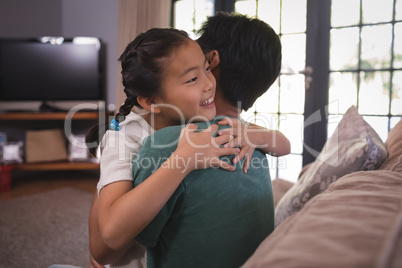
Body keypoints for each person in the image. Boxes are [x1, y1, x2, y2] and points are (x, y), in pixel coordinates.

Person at [89, 12, 288, 268]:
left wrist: (255, 135)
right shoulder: (126, 138)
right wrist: (183, 160)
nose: (207, 84)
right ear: (152, 101)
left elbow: (284, 144)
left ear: (212, 61)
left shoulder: (206, 119)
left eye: (206, 70)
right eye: (193, 78)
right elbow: (108, 239)